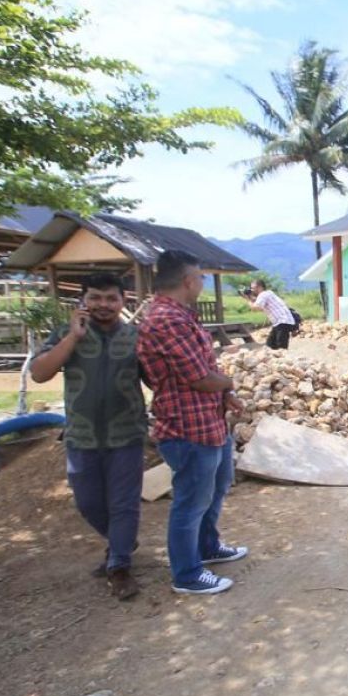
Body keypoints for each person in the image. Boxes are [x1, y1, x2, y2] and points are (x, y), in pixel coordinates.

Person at [137, 250, 248, 595]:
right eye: (200, 277)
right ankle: (186, 574)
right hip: (188, 429)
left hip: (209, 423)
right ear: (188, 280)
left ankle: (208, 547)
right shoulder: (167, 320)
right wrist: (228, 383)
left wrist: (223, 396)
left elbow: (201, 368)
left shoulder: (182, 316)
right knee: (190, 502)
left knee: (214, 489)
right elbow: (199, 377)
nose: (202, 283)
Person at [30, 273, 147, 600]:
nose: (104, 305)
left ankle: (119, 566)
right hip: (81, 437)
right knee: (88, 503)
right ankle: (121, 541)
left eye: (111, 298)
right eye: (96, 297)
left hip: (127, 435)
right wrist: (72, 338)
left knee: (124, 504)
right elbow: (39, 374)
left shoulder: (136, 338)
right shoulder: (67, 336)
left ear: (123, 302)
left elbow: (157, 380)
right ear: (83, 302)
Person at [245, 278, 295, 350]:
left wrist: (248, 300)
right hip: (280, 322)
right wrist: (250, 297)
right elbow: (257, 301)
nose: (252, 290)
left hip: (282, 321)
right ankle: (276, 359)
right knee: (270, 345)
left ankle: (283, 360)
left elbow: (256, 307)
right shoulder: (268, 293)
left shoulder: (263, 294)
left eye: (253, 288)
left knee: (281, 346)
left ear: (260, 287)